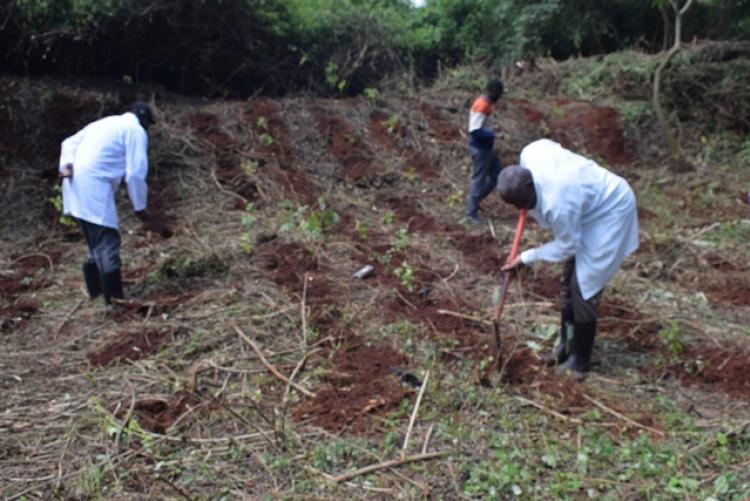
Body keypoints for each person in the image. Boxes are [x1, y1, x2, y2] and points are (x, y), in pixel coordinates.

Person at [498, 139, 639, 381]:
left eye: (525, 203)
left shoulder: (558, 204)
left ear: (531, 185)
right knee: (567, 281)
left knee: (583, 286)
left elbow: (567, 246)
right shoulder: (530, 154)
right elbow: (552, 145)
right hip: (585, 207)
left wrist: (525, 257)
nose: (523, 210)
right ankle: (565, 345)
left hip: (611, 211)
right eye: (517, 206)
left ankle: (579, 361)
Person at [58, 102, 169, 305]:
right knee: (108, 241)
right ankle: (114, 302)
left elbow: (68, 143)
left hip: (75, 185)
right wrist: (140, 209)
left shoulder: (106, 123)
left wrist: (66, 166)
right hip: (94, 187)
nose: (147, 129)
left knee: (95, 240)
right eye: (147, 125)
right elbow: (135, 173)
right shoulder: (135, 130)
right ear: (143, 119)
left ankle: (96, 293)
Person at [465, 79, 504, 225]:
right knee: (479, 179)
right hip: (480, 149)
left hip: (487, 148)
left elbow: (483, 126)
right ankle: (471, 212)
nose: (500, 96)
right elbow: (474, 131)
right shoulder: (482, 105)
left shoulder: (487, 103)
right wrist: (494, 135)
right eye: (499, 93)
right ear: (493, 91)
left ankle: (474, 200)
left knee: (497, 176)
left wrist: (493, 131)